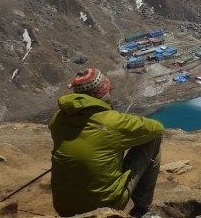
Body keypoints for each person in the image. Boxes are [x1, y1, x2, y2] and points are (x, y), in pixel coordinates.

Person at [49, 68, 164, 217]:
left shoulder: (58, 119)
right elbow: (157, 128)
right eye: (109, 87)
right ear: (101, 93)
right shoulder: (112, 122)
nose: (112, 89)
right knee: (153, 139)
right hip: (104, 205)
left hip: (63, 208)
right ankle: (141, 210)